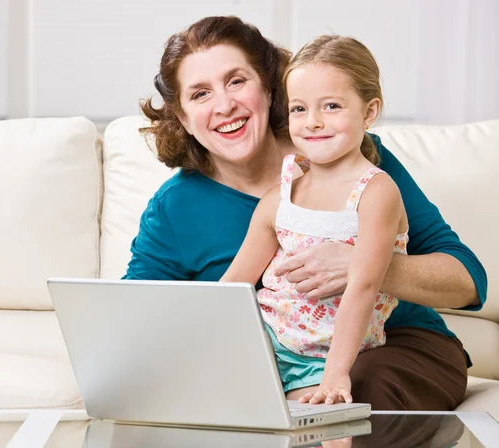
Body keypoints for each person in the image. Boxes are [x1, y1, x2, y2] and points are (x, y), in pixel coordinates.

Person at [124, 16, 487, 411]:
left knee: (349, 397)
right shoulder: (174, 208)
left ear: (268, 88)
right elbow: (133, 318)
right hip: (281, 358)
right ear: (182, 117)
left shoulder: (354, 157)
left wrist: (362, 265)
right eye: (200, 94)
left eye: (236, 81)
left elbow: (469, 280)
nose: (224, 105)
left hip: (397, 346)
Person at [220, 34, 409, 405]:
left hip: (323, 360)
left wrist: (336, 374)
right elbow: (232, 285)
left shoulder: (376, 192)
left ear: (369, 112)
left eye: (332, 106)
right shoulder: (282, 194)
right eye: (299, 109)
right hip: (263, 342)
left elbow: (364, 286)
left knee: (310, 432)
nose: (313, 122)